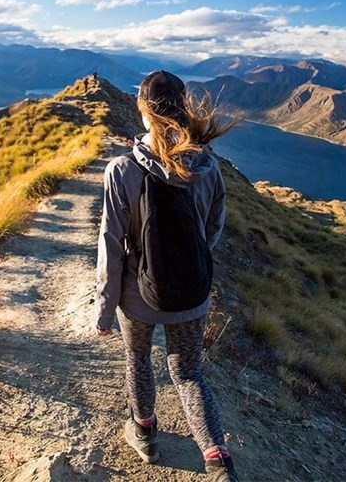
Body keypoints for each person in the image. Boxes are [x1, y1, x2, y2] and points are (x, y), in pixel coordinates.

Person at [94, 71, 238, 482]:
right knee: (189, 373)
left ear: (142, 112)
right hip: (192, 291)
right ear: (185, 109)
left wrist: (105, 310)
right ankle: (216, 458)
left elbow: (110, 244)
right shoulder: (207, 167)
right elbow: (213, 228)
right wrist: (185, 263)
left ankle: (144, 433)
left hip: (137, 294)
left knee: (137, 357)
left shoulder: (121, 169)